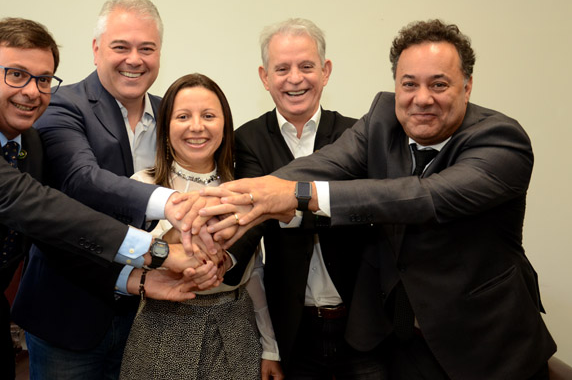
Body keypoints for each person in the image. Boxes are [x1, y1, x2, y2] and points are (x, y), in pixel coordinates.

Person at [201, 19, 556, 379]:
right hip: (405, 345)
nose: (422, 98)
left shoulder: (501, 140)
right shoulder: (383, 122)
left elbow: (421, 197)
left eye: (438, 84)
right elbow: (325, 164)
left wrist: (297, 194)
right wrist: (231, 199)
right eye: (409, 84)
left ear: (467, 86)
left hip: (489, 347)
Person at [0, 18, 212, 380]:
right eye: (16, 74)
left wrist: (134, 279)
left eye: (44, 79)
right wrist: (156, 251)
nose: (32, 91)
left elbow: (51, 236)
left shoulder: (28, 142)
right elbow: (30, 203)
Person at [11, 0, 223, 380]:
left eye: (147, 48)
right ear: (96, 49)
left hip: (149, 317)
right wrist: (171, 202)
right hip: (69, 316)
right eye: (120, 46)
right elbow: (81, 179)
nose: (134, 59)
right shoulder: (61, 105)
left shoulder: (171, 114)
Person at [225, 18, 385, 379]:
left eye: (306, 66)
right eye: (282, 69)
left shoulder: (356, 135)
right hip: (294, 333)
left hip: (362, 328)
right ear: (265, 77)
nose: (294, 78)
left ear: (325, 72)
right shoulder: (247, 139)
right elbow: (254, 217)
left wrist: (282, 206)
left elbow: (366, 210)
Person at [119, 73, 279, 379]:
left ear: (224, 126)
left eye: (208, 116)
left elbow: (255, 270)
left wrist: (271, 346)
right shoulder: (140, 186)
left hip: (236, 330)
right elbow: (128, 261)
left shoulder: (243, 189)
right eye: (183, 116)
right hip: (161, 330)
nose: (196, 126)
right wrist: (180, 231)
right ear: (166, 127)